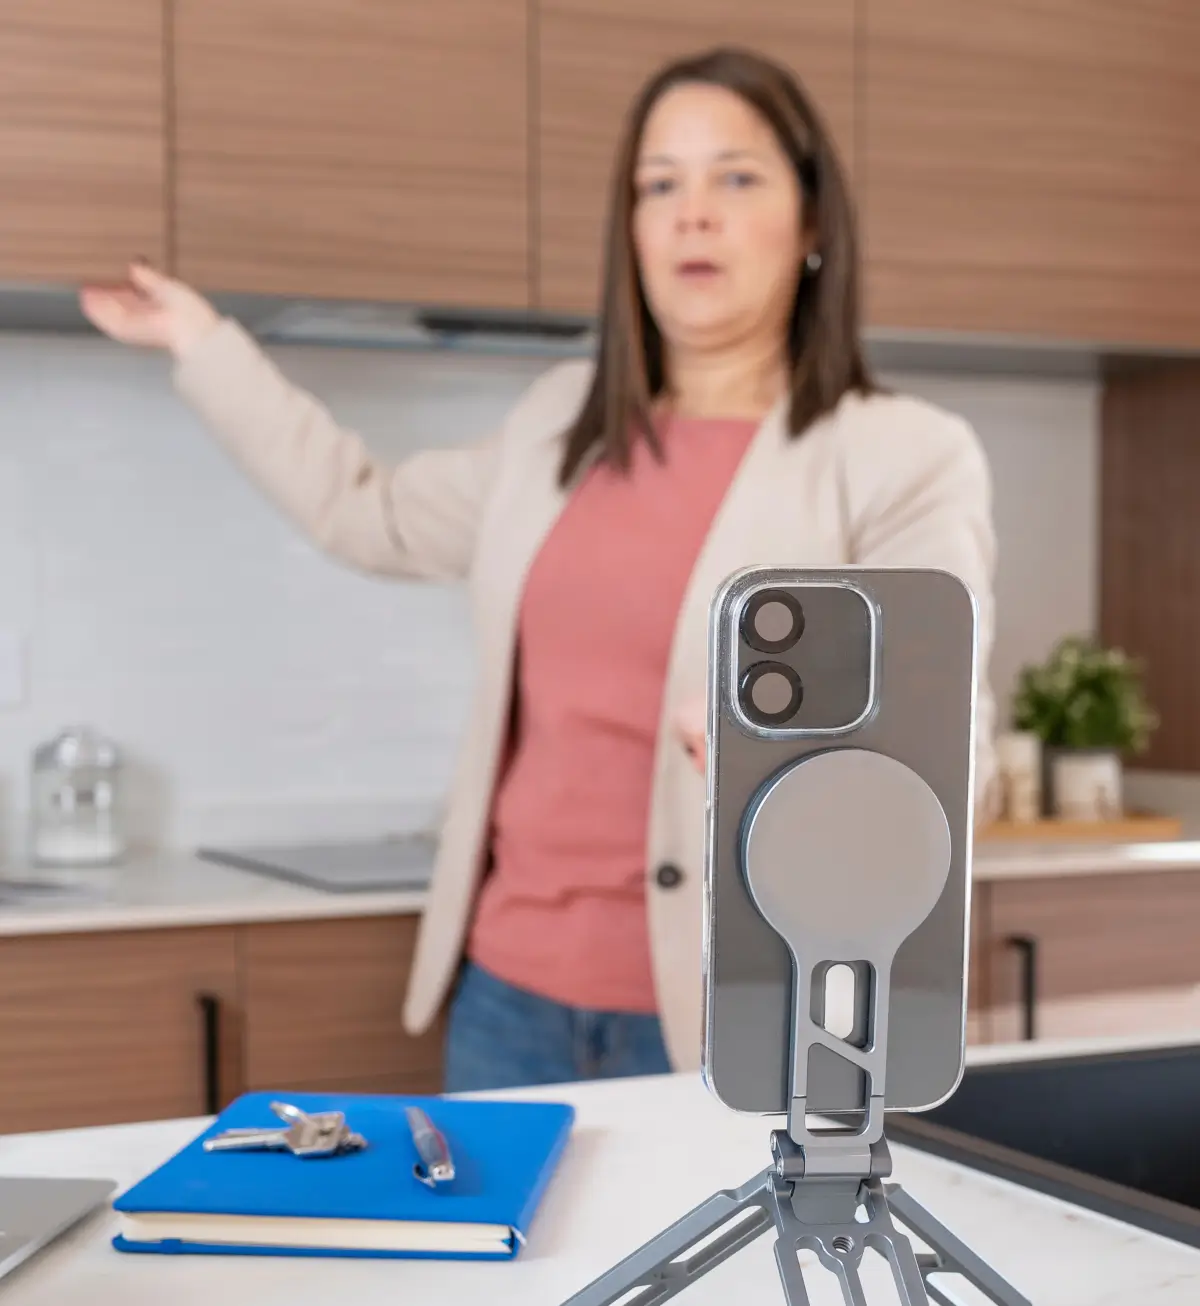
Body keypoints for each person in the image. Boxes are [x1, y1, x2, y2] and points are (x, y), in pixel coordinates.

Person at [80, 46, 996, 1093]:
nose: (692, 212)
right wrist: (200, 341)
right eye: (660, 184)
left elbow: (942, 747)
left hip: (737, 1013)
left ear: (815, 221)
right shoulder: (558, 426)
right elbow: (361, 510)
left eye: (736, 177)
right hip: (507, 1000)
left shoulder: (901, 456)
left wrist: (776, 756)